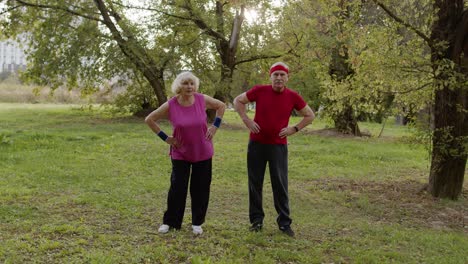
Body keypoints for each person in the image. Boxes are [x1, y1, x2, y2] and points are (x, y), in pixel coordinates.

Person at [233, 62, 315, 237]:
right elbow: (238, 101)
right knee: (255, 183)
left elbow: (310, 115)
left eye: (282, 75)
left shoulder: (293, 96)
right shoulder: (259, 90)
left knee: (280, 184)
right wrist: (246, 120)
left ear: (287, 78)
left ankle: (284, 223)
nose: (278, 78)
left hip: (278, 146)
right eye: (275, 74)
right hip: (256, 144)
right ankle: (256, 221)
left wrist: (294, 128)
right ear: (270, 76)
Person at [145, 71, 226, 235]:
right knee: (177, 188)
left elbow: (221, 106)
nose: (189, 87)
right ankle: (170, 222)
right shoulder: (171, 104)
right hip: (180, 152)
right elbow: (150, 119)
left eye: (191, 83)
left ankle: (197, 222)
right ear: (178, 86)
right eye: (185, 83)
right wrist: (165, 138)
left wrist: (215, 126)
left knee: (201, 188)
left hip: (202, 151)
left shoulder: (202, 99)